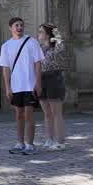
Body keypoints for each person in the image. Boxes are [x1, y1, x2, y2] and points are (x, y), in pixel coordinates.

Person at [0, 17, 44, 155]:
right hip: (16, 85)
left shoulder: (32, 42)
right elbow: (5, 68)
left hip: (30, 85)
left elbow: (38, 63)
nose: (19, 27)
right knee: (18, 115)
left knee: (29, 115)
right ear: (10, 28)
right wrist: (7, 87)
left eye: (21, 25)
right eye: (16, 25)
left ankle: (30, 144)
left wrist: (38, 83)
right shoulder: (6, 46)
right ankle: (19, 143)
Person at [37, 23, 67, 151]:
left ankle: (60, 141)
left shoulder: (56, 46)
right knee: (47, 113)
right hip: (41, 78)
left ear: (48, 34)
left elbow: (61, 46)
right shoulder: (38, 48)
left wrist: (56, 33)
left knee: (56, 113)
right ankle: (50, 139)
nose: (39, 34)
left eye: (41, 32)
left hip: (53, 78)